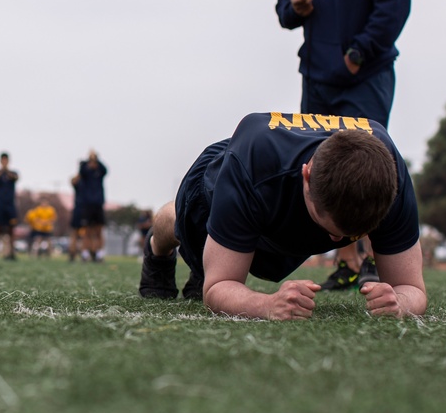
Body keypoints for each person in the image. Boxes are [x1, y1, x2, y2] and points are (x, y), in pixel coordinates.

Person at [138, 112, 426, 320]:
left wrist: (400, 302)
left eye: (353, 234)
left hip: (279, 206)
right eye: (332, 229)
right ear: (306, 176)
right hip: (221, 183)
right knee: (178, 224)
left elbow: (412, 288)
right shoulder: (252, 167)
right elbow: (219, 287)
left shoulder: (390, 176)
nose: (337, 241)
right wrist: (267, 305)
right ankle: (157, 250)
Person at [276, 0, 412, 293]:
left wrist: (357, 55)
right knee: (322, 166)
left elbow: (393, 9)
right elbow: (282, 8)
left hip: (363, 78)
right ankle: (347, 262)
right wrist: (294, 10)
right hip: (315, 79)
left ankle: (374, 260)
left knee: (368, 161)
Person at [77, 151, 108, 262]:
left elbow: (106, 170)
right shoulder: (85, 171)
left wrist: (97, 159)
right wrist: (87, 161)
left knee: (99, 231)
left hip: (98, 204)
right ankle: (85, 253)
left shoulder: (100, 172)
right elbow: (81, 171)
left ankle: (99, 253)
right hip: (87, 204)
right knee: (87, 231)